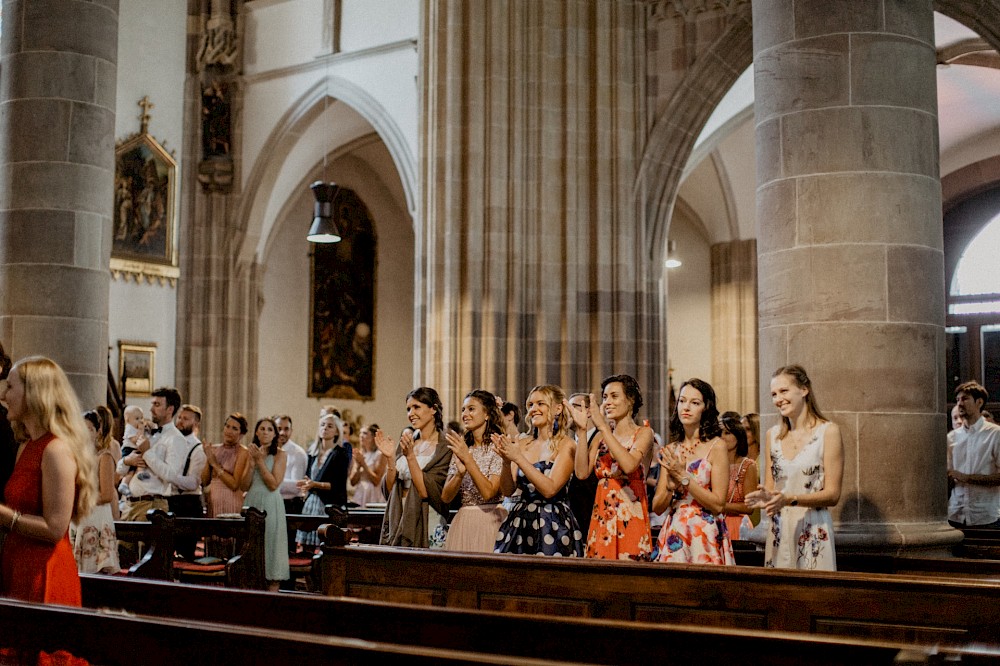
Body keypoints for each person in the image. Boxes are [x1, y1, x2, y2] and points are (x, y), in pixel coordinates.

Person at [0, 356, 96, 604]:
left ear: (34, 393)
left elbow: (55, 528)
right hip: (17, 562)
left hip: (44, 569)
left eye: (10, 386)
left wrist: (5, 516)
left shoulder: (55, 449)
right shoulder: (27, 445)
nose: (3, 395)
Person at [746, 365, 844, 570]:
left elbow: (833, 494)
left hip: (813, 526)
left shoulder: (828, 432)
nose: (778, 399)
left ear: (804, 389)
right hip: (780, 529)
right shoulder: (772, 436)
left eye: (783, 391)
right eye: (774, 394)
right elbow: (771, 489)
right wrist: (765, 498)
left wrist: (790, 499)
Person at [569, 375, 653, 561]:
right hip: (603, 516)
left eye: (614, 396)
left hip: (631, 514)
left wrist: (603, 428)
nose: (607, 402)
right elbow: (582, 473)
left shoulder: (644, 433)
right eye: (605, 397)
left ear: (630, 401)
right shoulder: (600, 437)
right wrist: (582, 431)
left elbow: (629, 465)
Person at [651, 378, 733, 565]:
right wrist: (671, 488)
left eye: (694, 403)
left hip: (704, 532)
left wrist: (684, 478)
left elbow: (719, 504)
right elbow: (657, 507)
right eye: (682, 401)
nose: (685, 407)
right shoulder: (671, 449)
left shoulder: (717, 446)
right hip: (676, 530)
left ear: (706, 408)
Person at [494, 384, 583, 557]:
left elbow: (550, 489)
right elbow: (507, 490)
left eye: (540, 404)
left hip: (553, 523)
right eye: (530, 405)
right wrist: (506, 462)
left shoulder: (567, 445)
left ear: (557, 408)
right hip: (520, 521)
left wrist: (518, 458)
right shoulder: (522, 443)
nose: (534, 409)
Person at [377, 387, 453, 548]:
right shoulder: (407, 441)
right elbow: (389, 490)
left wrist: (410, 456)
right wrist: (390, 459)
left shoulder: (444, 446)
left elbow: (427, 491)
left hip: (428, 516)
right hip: (400, 513)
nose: (411, 413)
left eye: (416, 407)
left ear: (433, 409)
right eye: (408, 409)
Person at [441, 390, 507, 552]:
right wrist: (459, 474)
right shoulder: (463, 447)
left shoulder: (497, 447)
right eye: (463, 409)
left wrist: (468, 460)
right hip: (463, 522)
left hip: (490, 520)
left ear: (487, 414)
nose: (465, 414)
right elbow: (446, 497)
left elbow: (488, 492)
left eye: (471, 409)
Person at [241, 417, 289, 590]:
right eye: (262, 428)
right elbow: (244, 485)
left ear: (275, 434)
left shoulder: (281, 454)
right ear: (256, 432)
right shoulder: (251, 452)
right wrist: (251, 463)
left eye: (270, 429)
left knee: (271, 547)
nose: (265, 432)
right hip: (252, 500)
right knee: (251, 548)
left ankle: (272, 595)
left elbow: (273, 484)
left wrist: (260, 462)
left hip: (270, 503)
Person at [947, 381, 1000, 529]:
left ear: (979, 402)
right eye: (957, 400)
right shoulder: (952, 437)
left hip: (985, 516)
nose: (959, 404)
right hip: (955, 514)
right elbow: (949, 475)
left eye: (965, 399)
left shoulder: (995, 434)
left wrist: (968, 478)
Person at [72, 410, 120, 574]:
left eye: (89, 429)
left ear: (98, 431)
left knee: (95, 570)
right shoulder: (75, 456)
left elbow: (107, 494)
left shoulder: (104, 457)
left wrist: (81, 500)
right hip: (78, 516)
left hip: (96, 516)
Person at [296, 413, 351, 550]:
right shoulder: (312, 453)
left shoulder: (340, 454)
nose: (325, 428)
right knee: (306, 547)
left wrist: (314, 484)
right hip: (311, 504)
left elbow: (337, 485)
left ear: (337, 431)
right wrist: (305, 486)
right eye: (322, 425)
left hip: (327, 505)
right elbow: (308, 478)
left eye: (330, 426)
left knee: (324, 546)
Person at [202, 413, 250, 517]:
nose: (229, 431)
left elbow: (234, 484)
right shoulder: (214, 449)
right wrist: (208, 458)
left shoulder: (243, 452)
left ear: (241, 434)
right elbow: (204, 482)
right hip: (213, 501)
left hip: (232, 500)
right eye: (227, 426)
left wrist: (215, 464)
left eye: (234, 428)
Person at [719, 411, 757, 541]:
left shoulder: (748, 466)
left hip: (737, 525)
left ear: (738, 436)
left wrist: (717, 505)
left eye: (727, 433)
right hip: (715, 523)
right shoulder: (711, 465)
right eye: (719, 433)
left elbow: (749, 507)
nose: (722, 437)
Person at [350, 423, 386, 508]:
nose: (361, 436)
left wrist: (363, 464)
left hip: (373, 493)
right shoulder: (360, 454)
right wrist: (358, 467)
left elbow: (376, 480)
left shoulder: (379, 454)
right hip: (360, 492)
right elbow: (352, 482)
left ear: (373, 437)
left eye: (365, 433)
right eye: (360, 433)